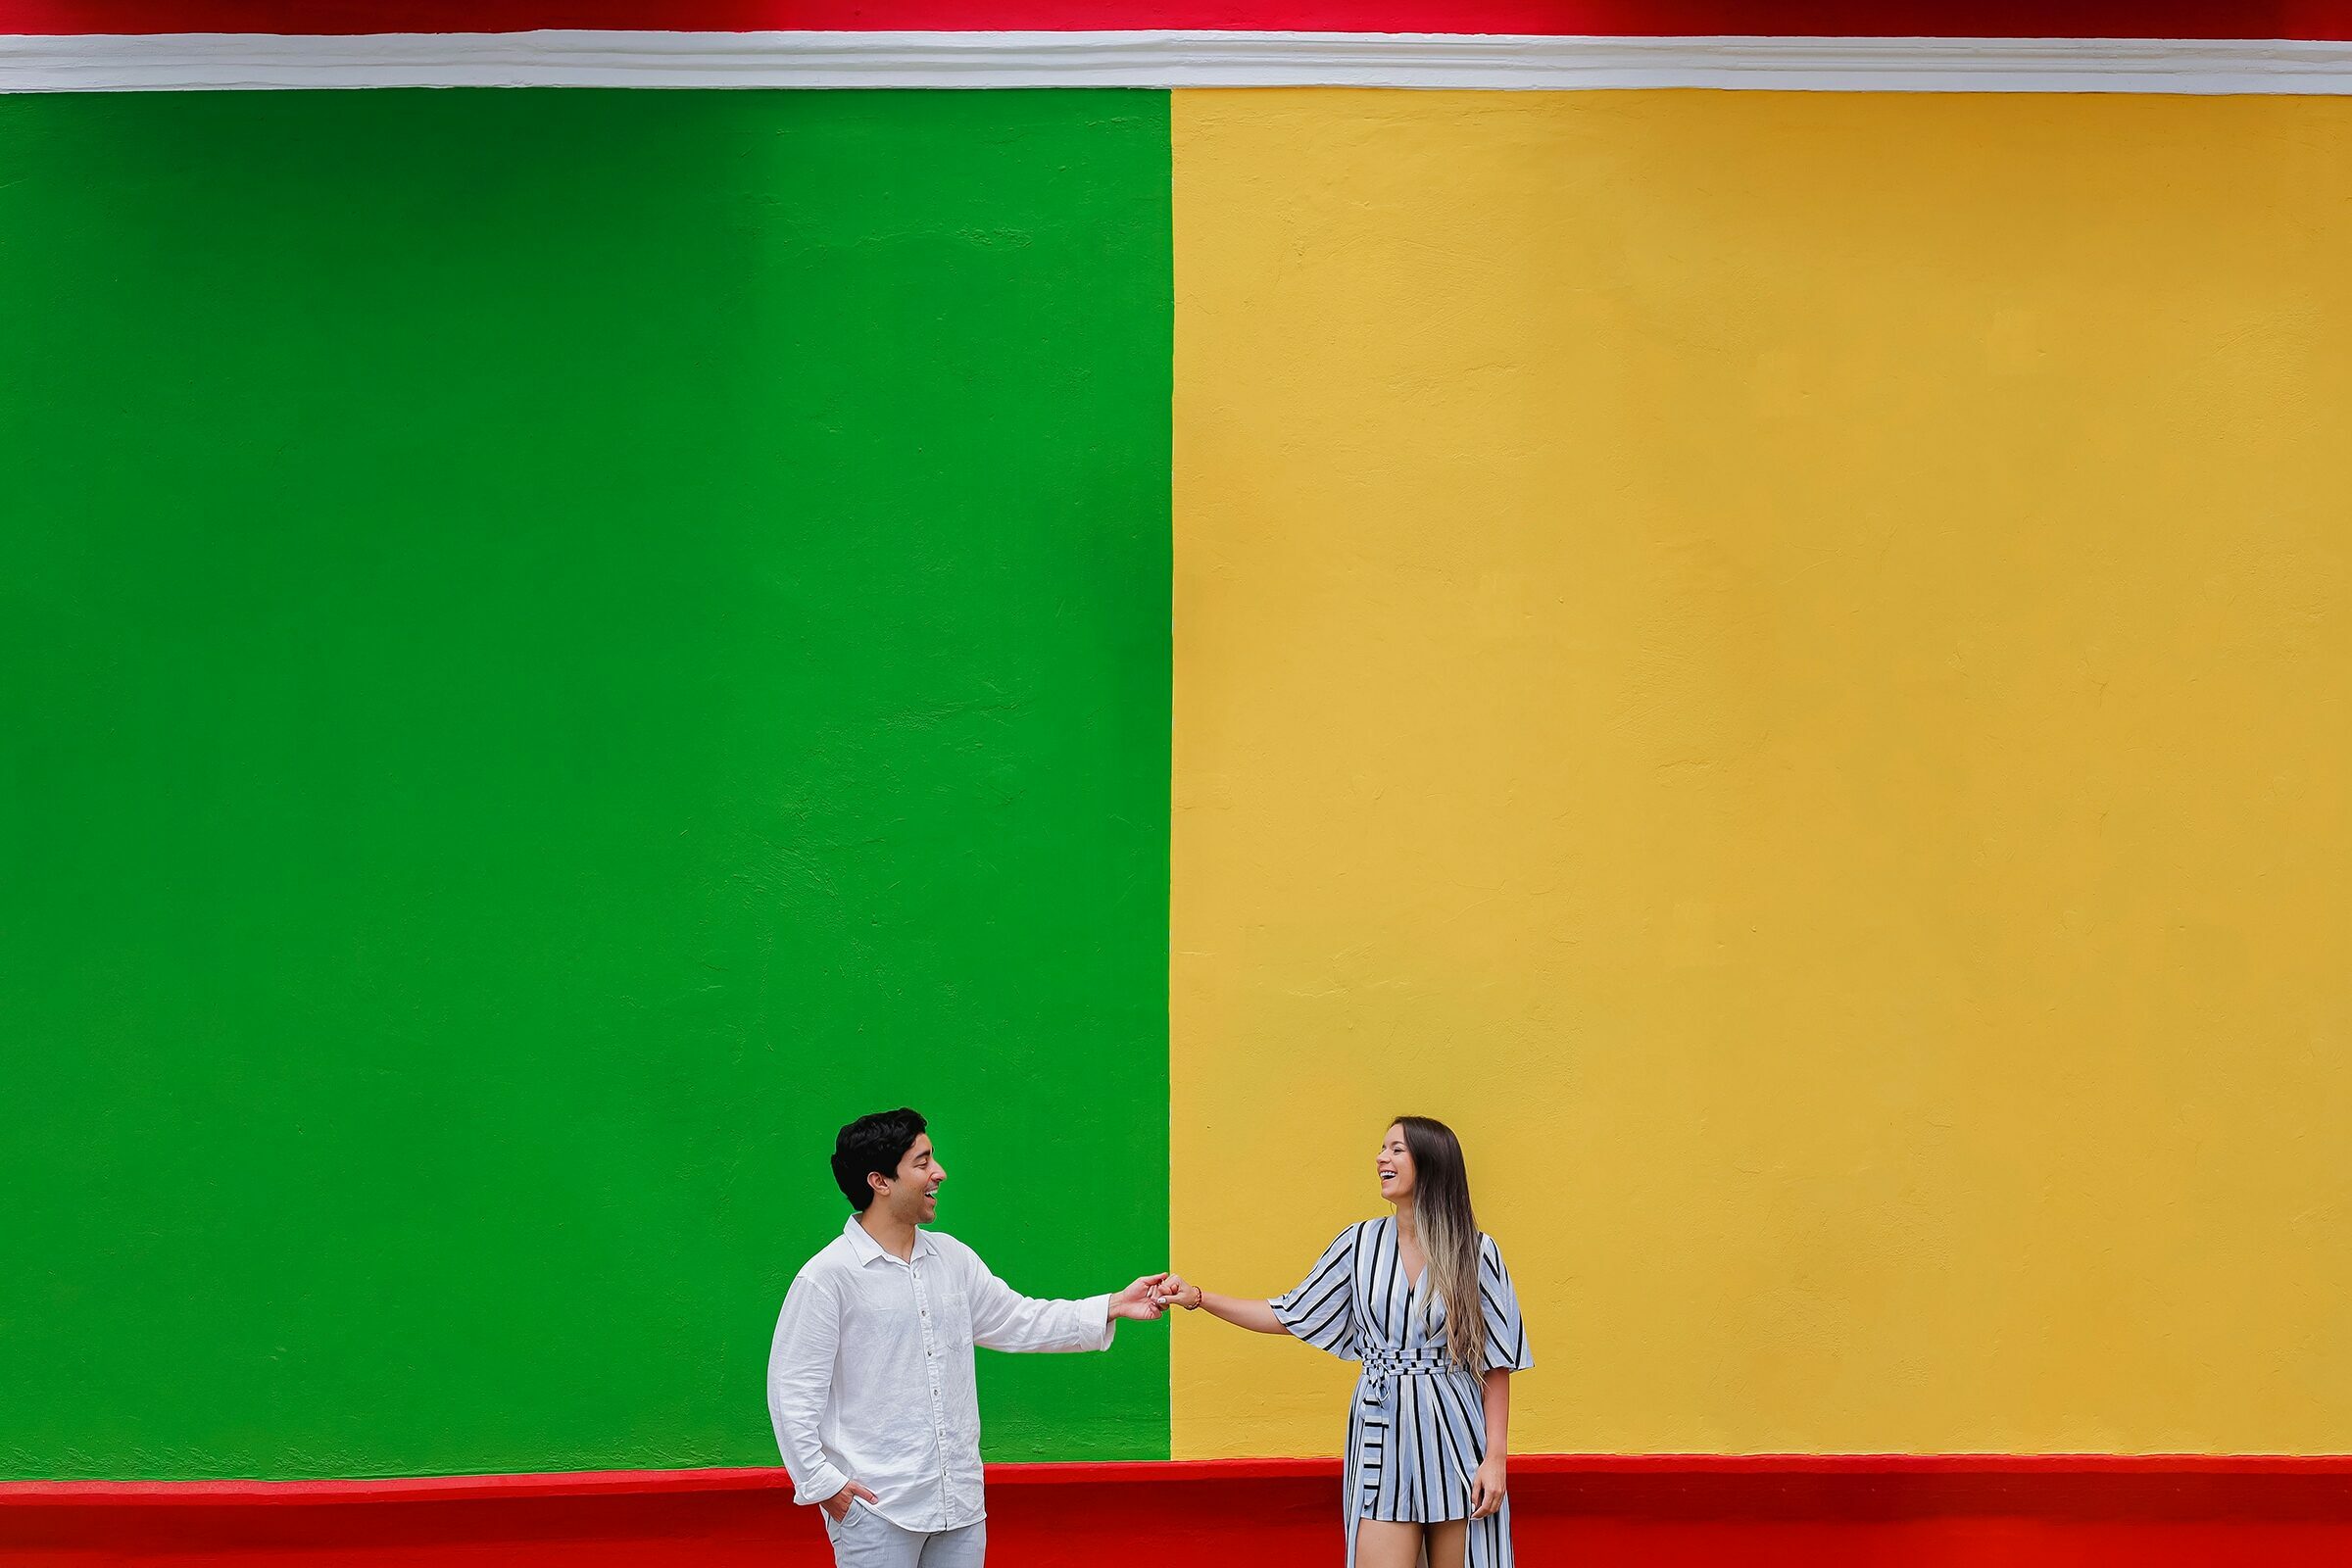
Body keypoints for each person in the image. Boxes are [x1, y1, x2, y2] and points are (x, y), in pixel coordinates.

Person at [767, 1107, 1169, 1567]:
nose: (939, 1173)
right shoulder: (828, 1277)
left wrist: (1115, 1304)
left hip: (958, 1503)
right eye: (921, 1163)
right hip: (875, 1509)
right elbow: (792, 1391)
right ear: (880, 1182)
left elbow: (1018, 1319)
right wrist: (824, 1486)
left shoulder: (952, 1259)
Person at [1159, 1116, 1532, 1568]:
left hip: (1457, 1438)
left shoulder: (1476, 1251)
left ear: (1430, 1163)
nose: (1381, 1158)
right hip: (1382, 1434)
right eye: (1382, 1148)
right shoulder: (1359, 1245)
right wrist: (1198, 1298)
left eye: (1396, 1149)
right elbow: (1288, 1314)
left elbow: (1495, 1361)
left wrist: (1496, 1459)